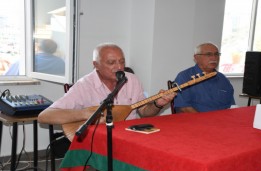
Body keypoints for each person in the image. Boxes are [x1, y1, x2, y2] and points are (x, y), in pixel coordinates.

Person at [38, 42, 175, 126]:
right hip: (99, 139)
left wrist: (158, 104)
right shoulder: (84, 85)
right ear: (95, 65)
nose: (119, 67)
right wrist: (85, 113)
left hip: (130, 135)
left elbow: (144, 113)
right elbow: (45, 116)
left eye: (122, 61)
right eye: (111, 62)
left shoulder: (132, 79)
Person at [173, 42, 235, 113]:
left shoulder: (223, 79)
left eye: (216, 54)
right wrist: (205, 121)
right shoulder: (184, 77)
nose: (214, 58)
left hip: (222, 120)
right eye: (208, 54)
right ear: (196, 58)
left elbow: (231, 106)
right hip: (196, 121)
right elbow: (184, 108)